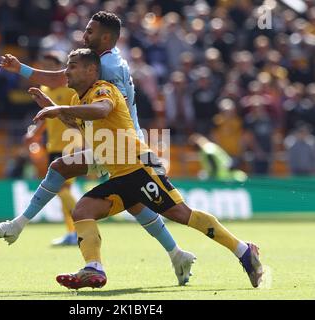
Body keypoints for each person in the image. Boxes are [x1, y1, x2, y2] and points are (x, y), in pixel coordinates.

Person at [0, 11, 195, 286]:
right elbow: (61, 79)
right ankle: (177, 253)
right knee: (132, 202)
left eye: (90, 31)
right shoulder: (106, 60)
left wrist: (59, 108)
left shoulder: (106, 67)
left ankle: (25, 229)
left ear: (105, 37)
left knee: (72, 174)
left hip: (121, 145)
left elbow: (102, 107)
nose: (84, 35)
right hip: (114, 142)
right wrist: (22, 70)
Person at [30, 48, 263, 289]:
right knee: (82, 211)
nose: (67, 71)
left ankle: (244, 251)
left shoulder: (103, 89)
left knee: (181, 214)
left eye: (73, 66)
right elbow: (80, 123)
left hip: (140, 168)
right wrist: (52, 107)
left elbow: (102, 110)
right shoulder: (78, 99)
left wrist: (60, 109)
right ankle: (93, 268)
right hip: (120, 177)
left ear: (91, 70)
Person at [24, 50, 82, 245]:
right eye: (44, 66)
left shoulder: (69, 88)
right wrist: (35, 134)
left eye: (50, 67)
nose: (47, 70)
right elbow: (47, 116)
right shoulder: (45, 89)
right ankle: (73, 232)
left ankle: (80, 227)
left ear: (59, 68)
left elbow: (75, 115)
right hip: (54, 144)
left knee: (61, 188)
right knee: (62, 190)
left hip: (71, 142)